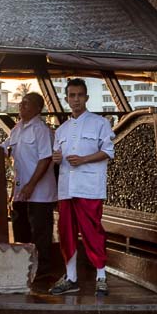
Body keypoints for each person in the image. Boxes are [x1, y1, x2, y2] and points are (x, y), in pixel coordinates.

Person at [50, 78, 114, 296]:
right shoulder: (62, 129)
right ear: (67, 98)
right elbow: (57, 156)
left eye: (79, 95)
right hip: (66, 187)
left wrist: (85, 159)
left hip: (89, 186)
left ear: (86, 97)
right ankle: (71, 277)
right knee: (66, 232)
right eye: (71, 95)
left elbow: (108, 152)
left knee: (92, 231)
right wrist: (56, 158)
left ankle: (101, 276)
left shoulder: (100, 123)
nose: (75, 99)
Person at [0, 92, 56, 277]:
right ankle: (23, 268)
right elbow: (2, 149)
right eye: (21, 103)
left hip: (39, 193)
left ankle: (43, 271)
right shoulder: (17, 129)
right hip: (19, 191)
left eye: (26, 103)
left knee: (40, 232)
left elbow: (46, 159)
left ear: (38, 108)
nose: (21, 106)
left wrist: (31, 184)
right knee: (20, 229)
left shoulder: (41, 130)